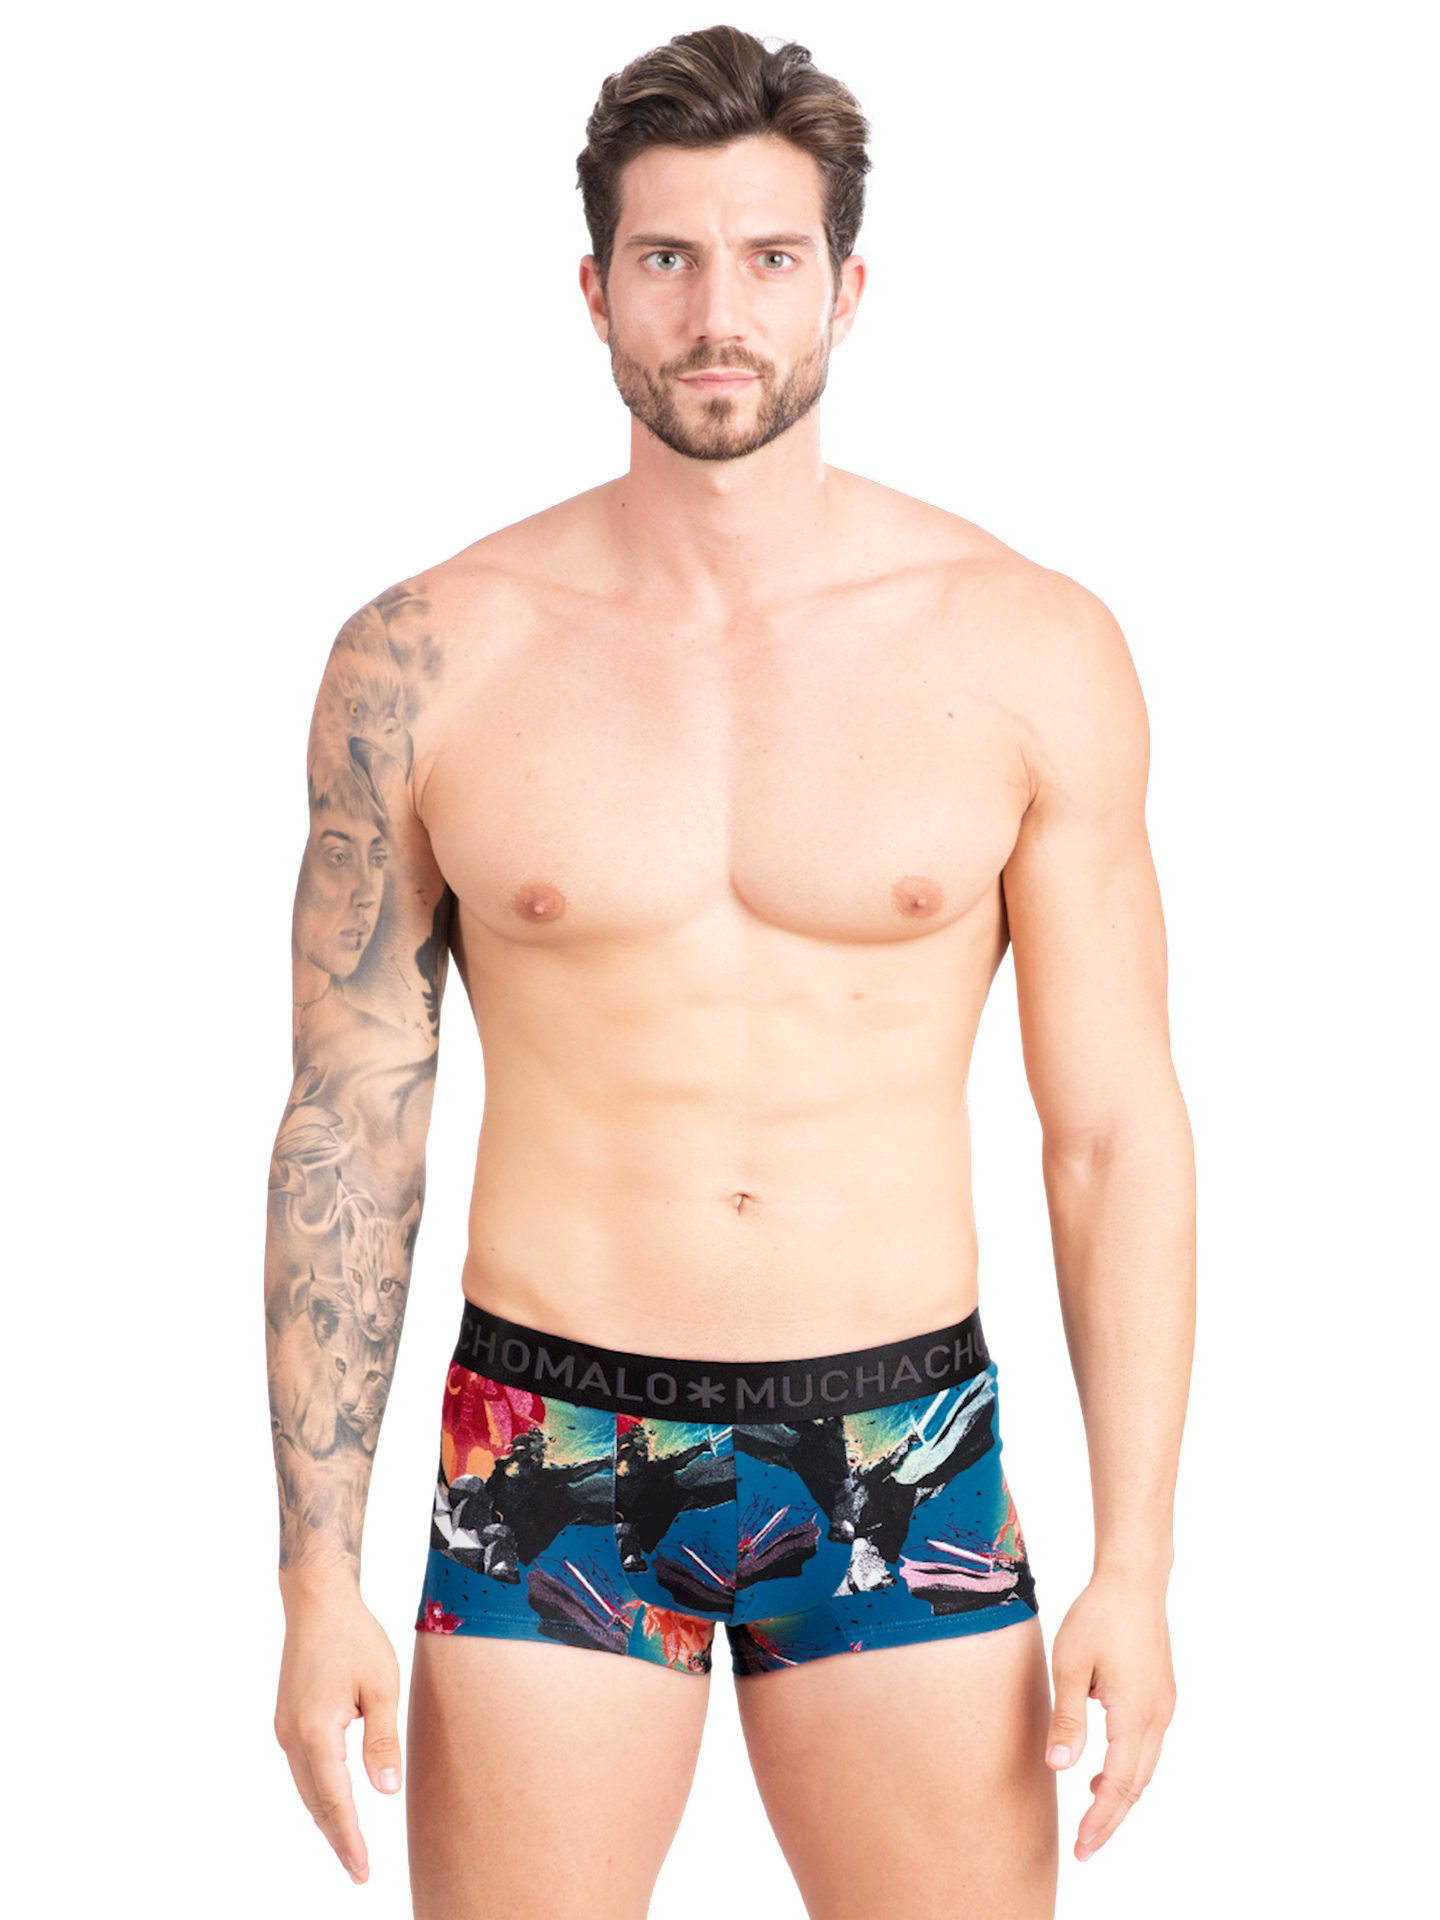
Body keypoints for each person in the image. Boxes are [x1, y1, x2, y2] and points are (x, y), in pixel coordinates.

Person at [265, 24, 1198, 1917]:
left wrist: (1142, 1565)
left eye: (770, 258)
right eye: (669, 258)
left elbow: (1111, 1132)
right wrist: (307, 1578)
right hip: (544, 1446)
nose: (718, 313)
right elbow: (350, 1127)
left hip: (901, 1442)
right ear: (595, 290)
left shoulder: (1029, 646)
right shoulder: (425, 656)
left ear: (844, 291)